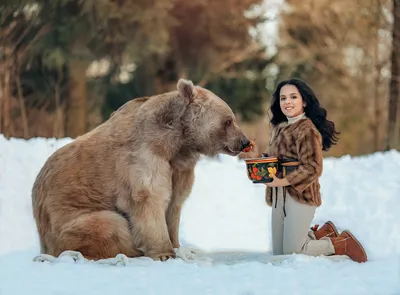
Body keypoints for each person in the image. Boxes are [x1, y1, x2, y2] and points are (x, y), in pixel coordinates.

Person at [243, 78, 367, 263]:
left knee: (293, 252)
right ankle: (320, 234)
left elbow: (313, 167)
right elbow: (275, 159)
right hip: (278, 195)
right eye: (283, 98)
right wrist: (255, 157)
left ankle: (340, 243)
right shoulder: (279, 129)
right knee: (279, 254)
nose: (288, 102)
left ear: (305, 101)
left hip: (300, 195)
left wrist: (283, 181)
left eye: (293, 97)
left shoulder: (307, 130)